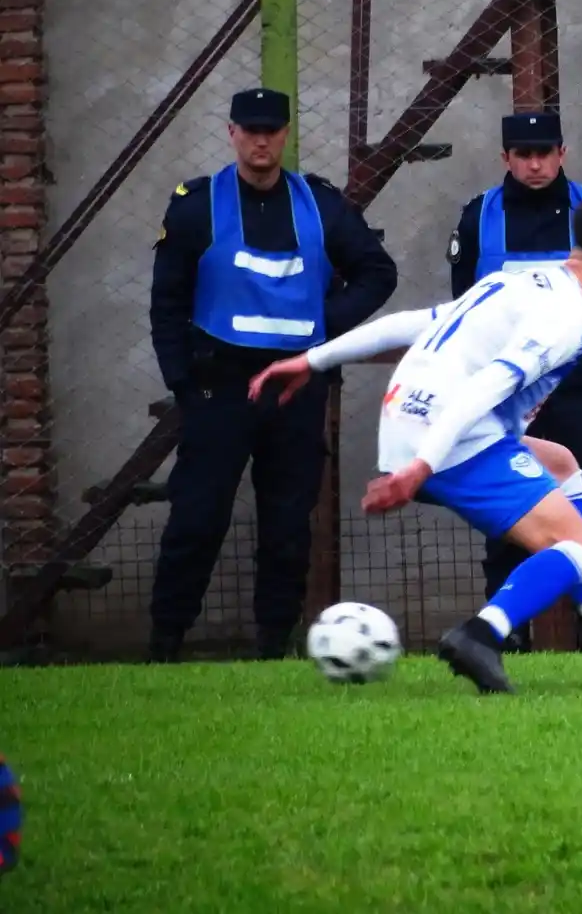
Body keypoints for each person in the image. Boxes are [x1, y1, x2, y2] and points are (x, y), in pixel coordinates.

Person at [246, 198, 582, 694]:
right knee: (581, 548)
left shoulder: (520, 282)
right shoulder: (566, 321)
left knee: (561, 464)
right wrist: (422, 467)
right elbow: (485, 387)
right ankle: (481, 634)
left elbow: (417, 324)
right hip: (449, 435)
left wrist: (313, 360)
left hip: (412, 420)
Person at [147, 87, 398, 662]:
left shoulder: (322, 206)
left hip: (295, 388)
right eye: (250, 130)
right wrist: (181, 381)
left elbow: (377, 272)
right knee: (197, 517)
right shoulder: (196, 206)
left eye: (271, 131)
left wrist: (321, 326)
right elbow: (167, 299)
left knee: (287, 523)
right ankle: (164, 644)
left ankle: (272, 647)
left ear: (285, 135)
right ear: (232, 133)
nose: (260, 141)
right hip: (218, 386)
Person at [447, 111, 582, 653]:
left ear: (561, 153)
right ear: (505, 157)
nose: (534, 164)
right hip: (506, 398)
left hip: (573, 391)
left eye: (544, 153)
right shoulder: (479, 216)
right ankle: (504, 636)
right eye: (523, 154)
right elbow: (466, 303)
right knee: (507, 513)